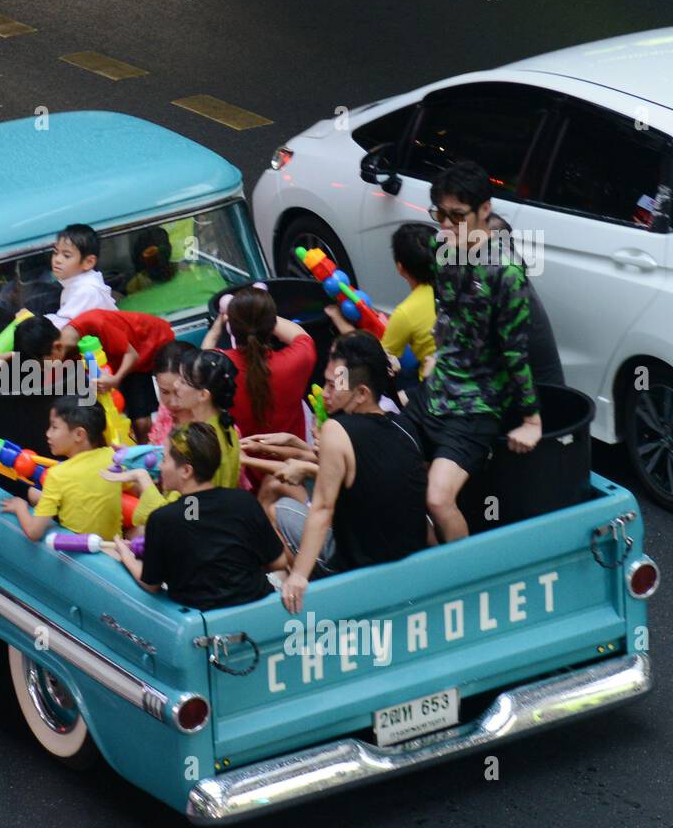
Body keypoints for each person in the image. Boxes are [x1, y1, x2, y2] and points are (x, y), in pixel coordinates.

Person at [405, 160, 544, 543]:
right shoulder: (442, 250)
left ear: (485, 209)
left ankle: (460, 580)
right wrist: (436, 354)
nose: (446, 226)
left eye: (457, 216)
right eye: (440, 215)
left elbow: (516, 352)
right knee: (388, 474)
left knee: (437, 498)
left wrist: (531, 419)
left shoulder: (506, 272)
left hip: (476, 406)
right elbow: (446, 313)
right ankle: (428, 562)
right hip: (436, 390)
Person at [276, 333, 428, 613]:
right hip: (412, 567)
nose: (325, 393)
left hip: (356, 571)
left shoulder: (337, 430)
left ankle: (305, 591)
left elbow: (322, 508)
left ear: (361, 394)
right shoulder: (406, 427)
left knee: (281, 507)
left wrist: (298, 576)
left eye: (334, 386)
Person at [114, 422, 286, 608]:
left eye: (164, 459)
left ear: (186, 471)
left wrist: (125, 555)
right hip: (256, 605)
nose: (160, 467)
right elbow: (279, 562)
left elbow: (151, 584)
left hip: (201, 621)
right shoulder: (244, 501)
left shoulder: (163, 519)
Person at [109, 347, 242, 525]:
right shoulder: (224, 428)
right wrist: (138, 456)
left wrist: (141, 477)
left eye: (184, 381)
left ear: (203, 395)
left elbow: (186, 516)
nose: (177, 387)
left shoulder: (195, 440)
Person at [13, 309, 175, 441]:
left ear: (56, 347)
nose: (42, 370)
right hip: (120, 363)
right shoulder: (60, 351)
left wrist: (115, 379)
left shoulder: (95, 323)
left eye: (42, 365)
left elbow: (132, 355)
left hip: (150, 344)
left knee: (141, 421)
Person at [203, 284, 316, 475]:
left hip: (246, 472)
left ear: (232, 328)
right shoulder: (298, 359)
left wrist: (219, 323)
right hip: (295, 467)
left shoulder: (218, 368)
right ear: (271, 325)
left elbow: (205, 353)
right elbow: (300, 336)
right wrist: (263, 312)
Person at [324, 223, 436, 392]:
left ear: (400, 268)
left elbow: (376, 361)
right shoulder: (460, 285)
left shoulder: (405, 313)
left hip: (432, 388)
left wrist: (340, 322)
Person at [0, 396, 121, 541]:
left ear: (79, 434)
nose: (48, 433)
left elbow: (33, 532)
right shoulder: (113, 457)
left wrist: (20, 507)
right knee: (35, 494)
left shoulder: (57, 474)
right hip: (114, 543)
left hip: (78, 549)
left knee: (30, 494)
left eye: (54, 427)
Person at [44, 224, 116, 330]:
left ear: (88, 262)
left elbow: (63, 326)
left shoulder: (86, 290)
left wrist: (30, 320)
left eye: (66, 255)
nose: (57, 260)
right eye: (55, 253)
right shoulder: (74, 284)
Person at [147, 340, 196, 446]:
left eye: (179, 392)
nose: (173, 403)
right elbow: (153, 447)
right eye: (164, 392)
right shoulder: (165, 411)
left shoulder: (211, 428)